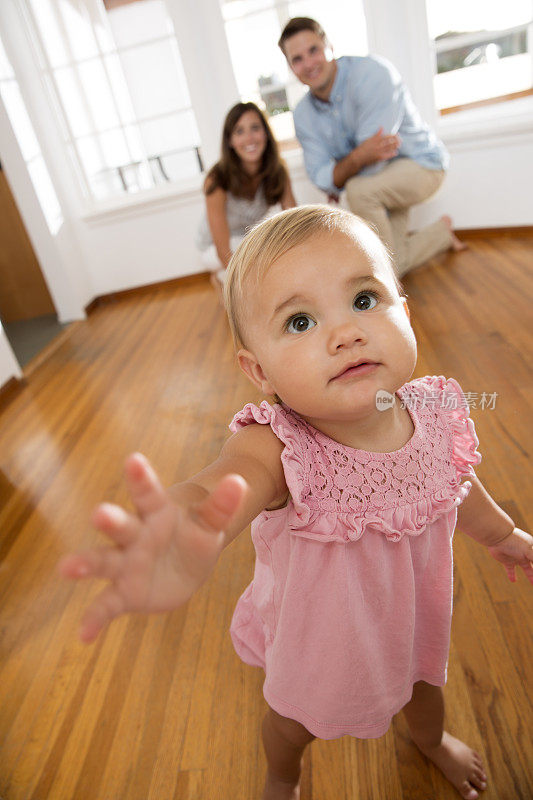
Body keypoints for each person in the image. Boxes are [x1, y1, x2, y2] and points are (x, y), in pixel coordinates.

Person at [60, 206, 533, 800]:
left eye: (364, 301)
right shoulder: (279, 445)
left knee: (423, 682)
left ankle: (432, 741)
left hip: (409, 616)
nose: (346, 333)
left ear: (404, 313)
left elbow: (456, 488)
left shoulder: (435, 410)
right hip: (319, 638)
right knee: (290, 725)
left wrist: (504, 534)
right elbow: (222, 484)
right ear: (259, 372)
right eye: (302, 321)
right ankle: (281, 778)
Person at [278, 17, 466, 278]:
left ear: (329, 46)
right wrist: (353, 161)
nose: (308, 63)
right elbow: (320, 176)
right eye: (297, 59)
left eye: (314, 50)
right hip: (381, 183)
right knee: (392, 261)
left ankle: (382, 288)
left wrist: (339, 174)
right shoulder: (302, 116)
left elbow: (374, 158)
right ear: (290, 67)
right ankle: (440, 234)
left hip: (423, 165)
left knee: (358, 191)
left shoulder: (372, 73)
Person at [196, 101, 296, 288]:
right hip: (214, 247)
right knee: (255, 273)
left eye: (255, 128)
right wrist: (247, 285)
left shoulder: (278, 171)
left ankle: (223, 278)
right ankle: (221, 277)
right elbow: (222, 249)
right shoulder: (217, 179)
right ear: (230, 141)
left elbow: (294, 221)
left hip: (246, 240)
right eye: (239, 131)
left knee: (267, 253)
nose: (249, 138)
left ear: (265, 133)